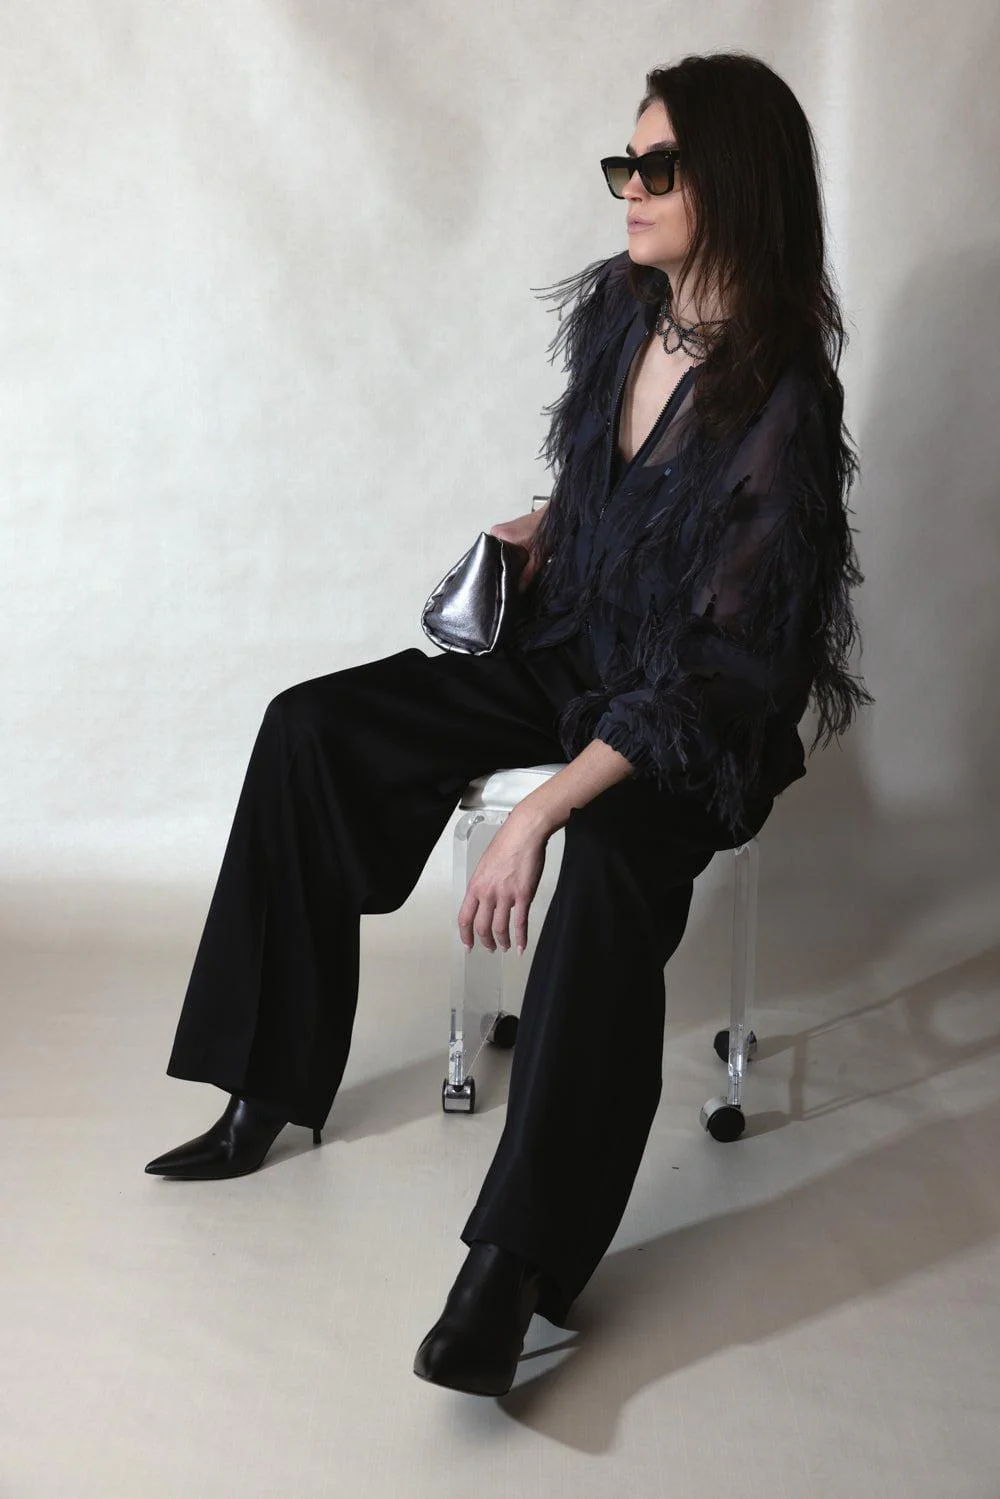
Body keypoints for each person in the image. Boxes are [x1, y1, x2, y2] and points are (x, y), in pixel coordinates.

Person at [145, 51, 874, 1398]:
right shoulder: (623, 311)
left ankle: (515, 1267)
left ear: (734, 179)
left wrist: (542, 808)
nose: (630, 189)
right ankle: (265, 1086)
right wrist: (546, 530)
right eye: (625, 163)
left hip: (694, 718)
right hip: (579, 645)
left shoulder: (782, 392)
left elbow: (723, 660)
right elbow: (613, 494)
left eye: (659, 166)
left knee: (606, 866)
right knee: (314, 727)